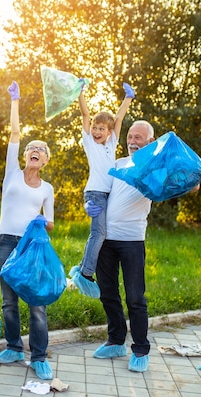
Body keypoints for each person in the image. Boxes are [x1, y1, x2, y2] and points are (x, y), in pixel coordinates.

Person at [89, 120, 199, 373]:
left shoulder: (155, 168)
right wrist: (90, 205)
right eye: (130, 136)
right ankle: (116, 341)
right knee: (108, 293)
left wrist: (173, 156)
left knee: (135, 298)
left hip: (132, 241)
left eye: (139, 138)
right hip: (106, 239)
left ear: (150, 142)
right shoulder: (117, 164)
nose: (132, 141)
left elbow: (194, 184)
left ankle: (140, 348)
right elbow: (99, 191)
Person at [0, 81, 56, 380]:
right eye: (32, 148)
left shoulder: (47, 188)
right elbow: (15, 134)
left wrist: (41, 223)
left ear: (45, 161)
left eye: (41, 150)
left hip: (30, 247)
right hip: (5, 242)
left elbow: (51, 222)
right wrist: (15, 101)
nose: (35, 150)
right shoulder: (12, 174)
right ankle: (15, 347)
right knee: (9, 300)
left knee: (37, 303)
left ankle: (40, 356)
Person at [69, 82, 135, 298]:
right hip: (96, 193)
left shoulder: (111, 144)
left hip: (109, 194)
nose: (97, 131)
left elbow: (118, 120)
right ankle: (86, 273)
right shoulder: (90, 143)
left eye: (101, 129)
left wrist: (128, 99)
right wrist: (80, 94)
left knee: (102, 234)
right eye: (95, 128)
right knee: (99, 233)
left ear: (108, 133)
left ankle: (83, 267)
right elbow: (85, 114)